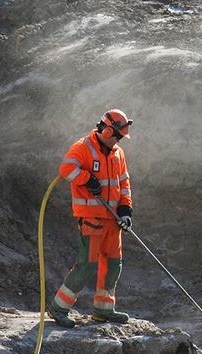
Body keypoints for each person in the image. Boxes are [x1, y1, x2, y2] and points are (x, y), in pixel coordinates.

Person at [47, 109, 134, 328]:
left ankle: (103, 310)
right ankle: (58, 308)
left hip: (113, 220)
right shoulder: (83, 147)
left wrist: (125, 209)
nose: (120, 140)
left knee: (114, 265)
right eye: (118, 135)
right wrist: (87, 179)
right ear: (106, 130)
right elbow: (66, 169)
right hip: (92, 219)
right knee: (86, 266)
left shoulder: (118, 153)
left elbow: (124, 183)